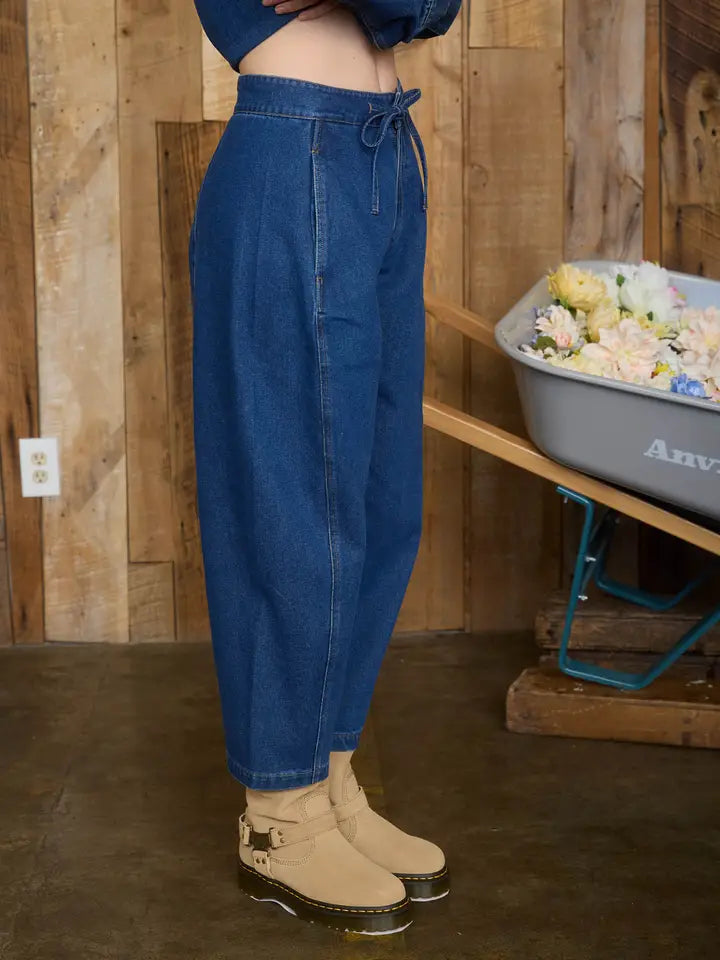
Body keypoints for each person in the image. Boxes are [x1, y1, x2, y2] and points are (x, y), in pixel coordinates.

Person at [189, 0, 462, 935]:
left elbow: (428, 8)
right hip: (293, 142)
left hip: (382, 153)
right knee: (293, 499)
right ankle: (280, 815)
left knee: (380, 497)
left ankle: (330, 778)